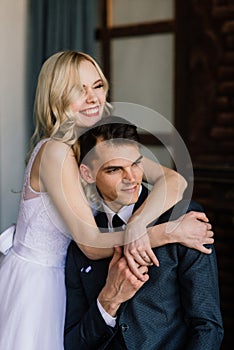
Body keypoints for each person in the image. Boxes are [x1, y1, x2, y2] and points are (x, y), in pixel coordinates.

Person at [0, 50, 192, 350]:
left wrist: (139, 223)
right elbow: (90, 244)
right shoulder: (56, 151)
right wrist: (168, 232)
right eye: (79, 89)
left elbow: (175, 181)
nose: (92, 98)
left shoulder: (99, 146)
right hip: (40, 287)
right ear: (56, 97)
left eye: (97, 86)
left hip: (70, 281)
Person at [64, 116, 224, 350]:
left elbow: (207, 326)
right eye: (114, 169)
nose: (131, 178)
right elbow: (73, 343)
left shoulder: (186, 221)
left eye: (136, 164)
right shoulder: (82, 243)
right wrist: (109, 300)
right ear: (88, 174)